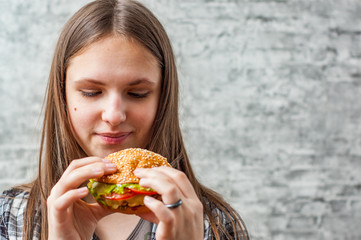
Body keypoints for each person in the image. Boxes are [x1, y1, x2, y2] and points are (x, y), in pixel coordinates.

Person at [0, 0, 249, 239]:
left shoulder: (214, 224)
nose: (114, 116)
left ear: (163, 98)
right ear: (63, 95)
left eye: (137, 93)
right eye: (91, 92)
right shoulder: (10, 216)